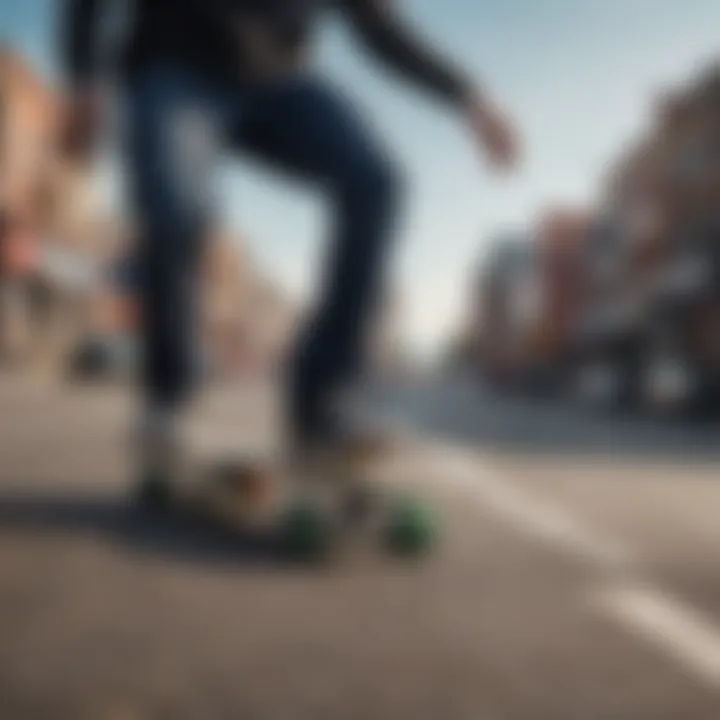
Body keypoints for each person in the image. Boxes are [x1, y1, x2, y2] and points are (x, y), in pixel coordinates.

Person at [61, 0, 519, 487]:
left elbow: (383, 33)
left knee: (376, 181)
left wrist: (470, 98)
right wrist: (85, 77)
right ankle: (167, 403)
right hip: (176, 71)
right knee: (176, 207)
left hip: (278, 83)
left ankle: (319, 408)